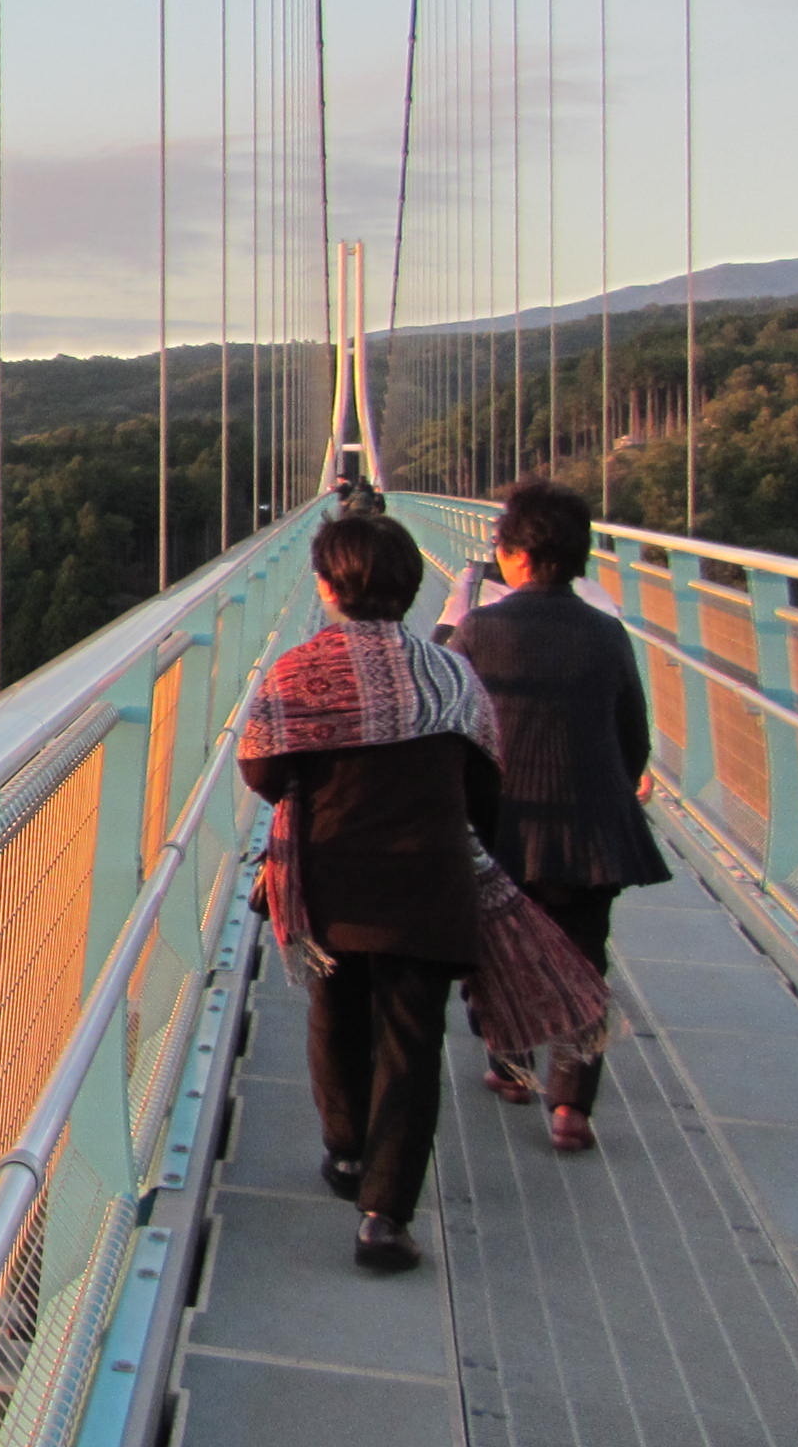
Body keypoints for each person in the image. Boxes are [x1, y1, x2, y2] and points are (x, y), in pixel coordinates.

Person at [240, 513, 501, 1272]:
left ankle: (346, 1152)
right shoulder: (454, 675)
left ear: (325, 587)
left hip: (333, 881)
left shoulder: (297, 673)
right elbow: (487, 784)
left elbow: (262, 773)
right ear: (413, 583)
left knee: (335, 1011)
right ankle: (385, 1216)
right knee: (414, 1043)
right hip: (432, 883)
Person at [445, 478, 666, 1152]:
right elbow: (633, 735)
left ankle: (511, 1070)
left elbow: (453, 725)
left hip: (506, 826)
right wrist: (615, 788)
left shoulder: (481, 627)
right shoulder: (607, 633)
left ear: (511, 555)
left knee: (500, 948)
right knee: (583, 959)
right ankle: (572, 1108)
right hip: (593, 833)